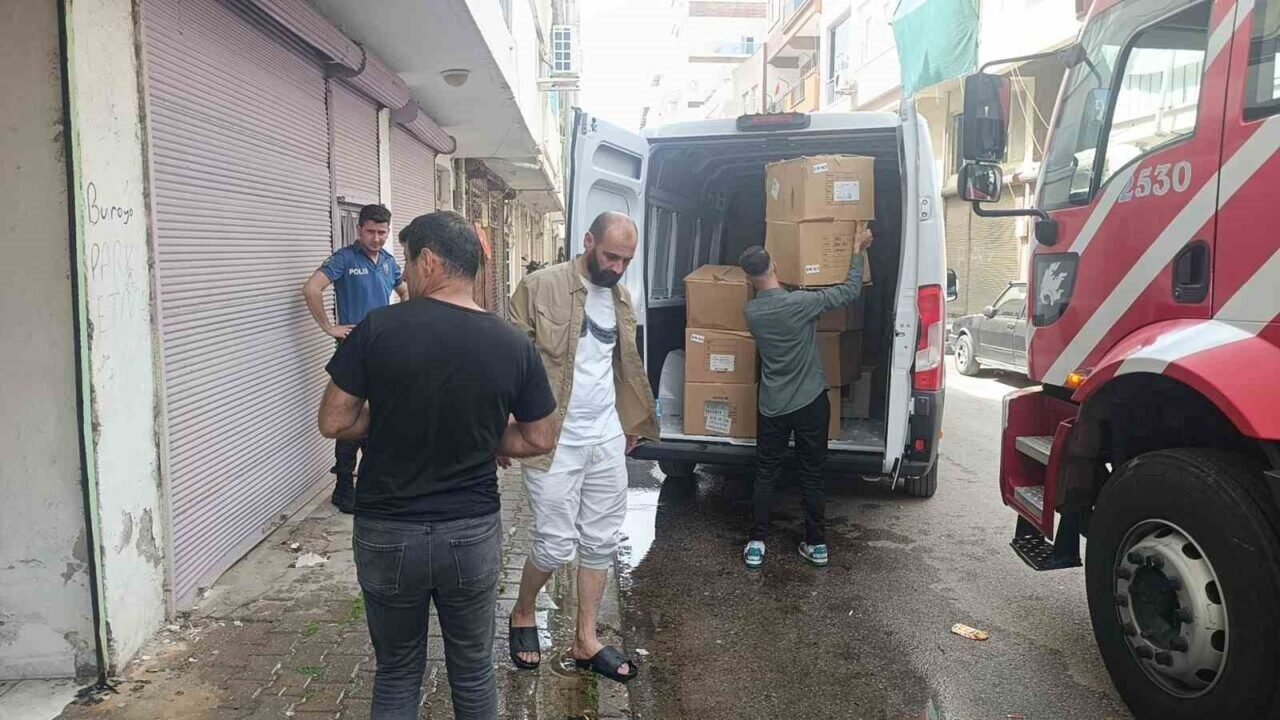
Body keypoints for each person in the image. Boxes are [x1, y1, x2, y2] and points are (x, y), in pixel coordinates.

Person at [317, 211, 557, 719]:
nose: (404, 273)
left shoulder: (378, 328)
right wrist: (480, 434)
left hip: (388, 531)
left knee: (397, 671)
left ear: (428, 260)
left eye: (406, 261)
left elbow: (335, 421)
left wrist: (389, 417)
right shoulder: (512, 343)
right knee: (472, 672)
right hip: (469, 531)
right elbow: (540, 436)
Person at [506, 211, 658, 684]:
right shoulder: (539, 287)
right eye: (611, 256)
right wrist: (500, 429)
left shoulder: (622, 298)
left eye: (626, 260)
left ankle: (585, 639)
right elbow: (507, 361)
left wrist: (630, 419)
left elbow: (623, 365)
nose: (617, 267)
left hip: (605, 436)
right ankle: (523, 609)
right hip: (551, 439)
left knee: (601, 540)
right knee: (554, 545)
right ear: (588, 241)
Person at [738, 225, 874, 570]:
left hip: (773, 405)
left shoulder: (752, 313)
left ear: (749, 278)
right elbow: (850, 290)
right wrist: (857, 250)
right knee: (812, 473)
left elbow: (775, 303)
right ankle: (816, 544)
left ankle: (757, 543)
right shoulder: (802, 303)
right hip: (811, 401)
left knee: (766, 472)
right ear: (774, 266)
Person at [303, 204, 408, 513]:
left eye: (382, 232)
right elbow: (311, 289)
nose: (376, 238)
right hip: (352, 350)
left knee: (378, 413)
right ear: (359, 230)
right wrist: (329, 327)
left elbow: (406, 292)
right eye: (370, 231)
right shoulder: (344, 259)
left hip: (383, 350)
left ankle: (370, 482)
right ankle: (343, 486)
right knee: (348, 415)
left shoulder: (388, 262)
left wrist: (401, 323)